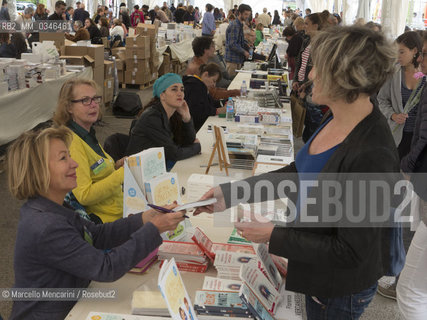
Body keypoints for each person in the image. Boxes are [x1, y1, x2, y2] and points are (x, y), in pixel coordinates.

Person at [195, 26, 399, 320]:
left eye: (319, 67)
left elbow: (351, 251)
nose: (311, 75)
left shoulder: (372, 154)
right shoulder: (337, 118)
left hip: (338, 288)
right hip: (315, 268)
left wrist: (274, 235)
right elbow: (297, 173)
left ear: (345, 77)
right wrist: (231, 194)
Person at [7, 126, 185, 319]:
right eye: (63, 158)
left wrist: (144, 219)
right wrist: (154, 229)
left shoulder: (54, 207)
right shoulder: (46, 225)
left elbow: (97, 235)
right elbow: (105, 267)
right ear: (39, 170)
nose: (74, 164)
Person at [52, 79, 123, 223]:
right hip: (105, 221)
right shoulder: (72, 142)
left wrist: (115, 167)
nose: (94, 105)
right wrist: (122, 174)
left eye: (95, 99)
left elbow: (96, 168)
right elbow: (84, 195)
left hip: (117, 209)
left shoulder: (85, 133)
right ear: (69, 107)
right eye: (85, 100)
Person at [397, 31, 427, 319]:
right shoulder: (403, 77)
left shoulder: (422, 80)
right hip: (407, 150)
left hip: (415, 161)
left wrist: (407, 166)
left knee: (410, 290)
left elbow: (423, 134)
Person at [126, 73, 201, 168]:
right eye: (174, 89)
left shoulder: (172, 114)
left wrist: (187, 118)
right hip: (140, 171)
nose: (180, 93)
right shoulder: (152, 117)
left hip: (155, 165)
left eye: (182, 89)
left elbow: (188, 141)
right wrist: (197, 147)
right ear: (162, 96)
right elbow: (174, 154)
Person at [378, 31, 425, 160]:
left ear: (414, 51)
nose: (398, 56)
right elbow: (381, 100)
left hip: (419, 137)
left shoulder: (422, 75)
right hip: (397, 134)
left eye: (402, 52)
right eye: (397, 51)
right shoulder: (394, 73)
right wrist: (392, 115)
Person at [183, 63, 227, 131]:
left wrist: (225, 102)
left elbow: (210, 102)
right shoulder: (195, 87)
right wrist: (217, 111)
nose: (214, 85)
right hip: (195, 128)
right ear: (206, 74)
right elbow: (197, 111)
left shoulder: (201, 86)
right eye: (213, 81)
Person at [225, 4, 252, 76]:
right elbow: (232, 44)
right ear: (240, 13)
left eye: (248, 15)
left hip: (237, 58)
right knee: (231, 83)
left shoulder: (240, 24)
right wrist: (244, 52)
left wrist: (246, 43)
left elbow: (239, 40)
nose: (247, 17)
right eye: (245, 14)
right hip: (232, 59)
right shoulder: (235, 25)